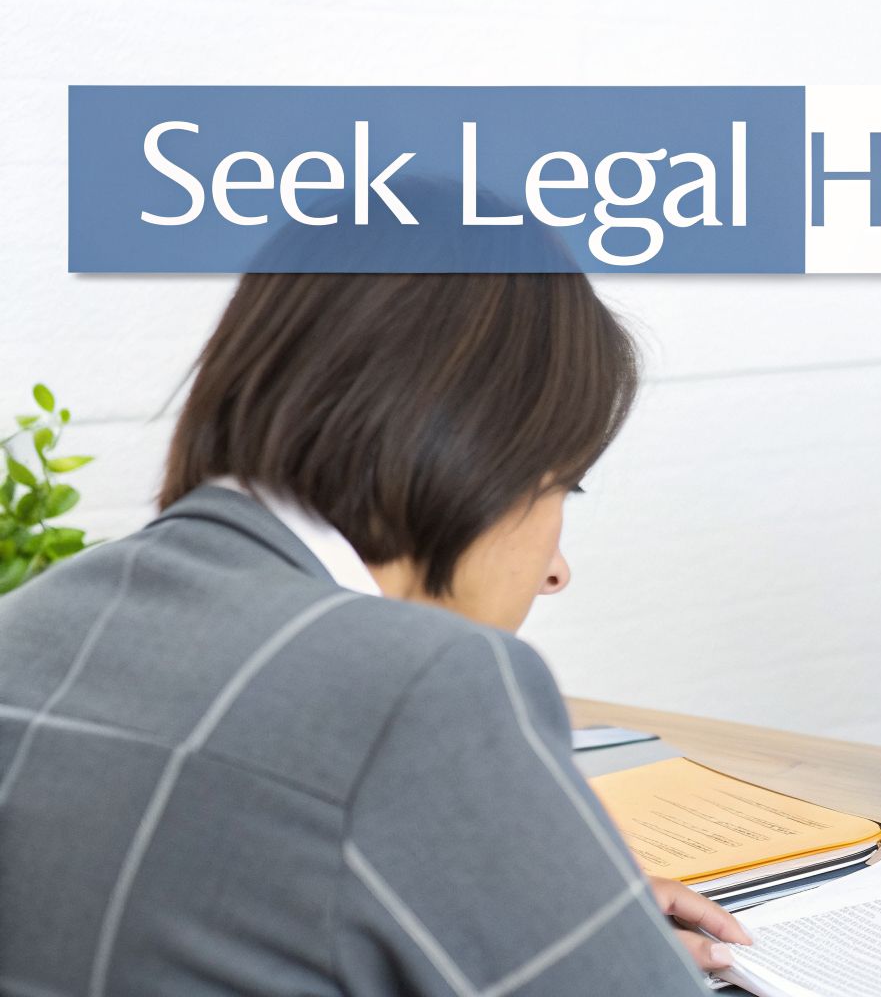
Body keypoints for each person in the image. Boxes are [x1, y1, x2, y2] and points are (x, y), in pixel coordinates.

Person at [0, 262, 744, 993]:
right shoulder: (426, 686)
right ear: (473, 453)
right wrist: (607, 953)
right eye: (561, 487)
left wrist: (547, 916)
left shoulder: (31, 619)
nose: (556, 569)